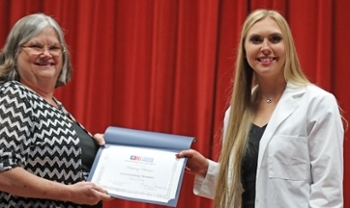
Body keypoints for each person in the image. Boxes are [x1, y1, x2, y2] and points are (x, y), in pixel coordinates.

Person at [176, 9, 344, 208]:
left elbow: (328, 193)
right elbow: (246, 184)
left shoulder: (317, 104)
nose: (265, 48)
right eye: (256, 40)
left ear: (287, 47)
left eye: (275, 39)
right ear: (245, 50)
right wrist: (206, 169)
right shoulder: (235, 113)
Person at [0, 13, 112, 207]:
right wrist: (69, 193)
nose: (46, 54)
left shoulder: (55, 107)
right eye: (36, 46)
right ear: (14, 54)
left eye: (53, 47)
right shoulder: (14, 94)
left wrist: (101, 149)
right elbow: (3, 169)